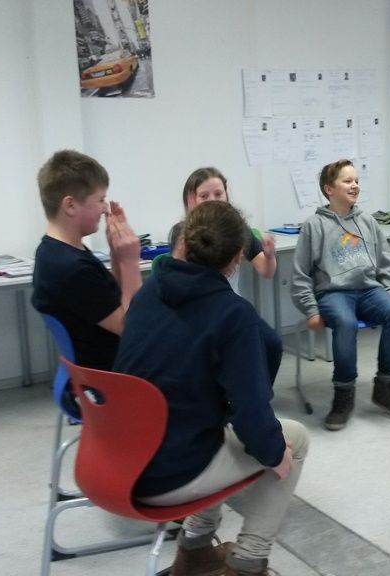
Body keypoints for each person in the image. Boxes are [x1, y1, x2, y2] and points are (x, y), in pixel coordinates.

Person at [115, 201, 308, 576]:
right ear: (237, 258)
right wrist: (275, 455)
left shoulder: (147, 292)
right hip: (167, 475)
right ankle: (249, 561)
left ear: (182, 242)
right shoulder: (233, 314)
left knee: (213, 429)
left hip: (119, 462)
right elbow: (251, 415)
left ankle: (196, 551)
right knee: (293, 441)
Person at [292, 159, 390, 431]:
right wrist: (310, 309)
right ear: (329, 189)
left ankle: (386, 385)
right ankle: (343, 392)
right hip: (333, 293)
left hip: (369, 290)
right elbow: (300, 275)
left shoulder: (367, 221)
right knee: (345, 323)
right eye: (347, 181)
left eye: (356, 180)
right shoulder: (314, 225)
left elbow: (386, 263)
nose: (355, 185)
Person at [31, 149, 141, 372]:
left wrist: (117, 255)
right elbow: (134, 327)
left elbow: (110, 299)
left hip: (105, 367)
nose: (105, 208)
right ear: (70, 205)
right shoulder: (71, 269)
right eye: (100, 200)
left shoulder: (57, 252)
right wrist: (131, 263)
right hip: (116, 376)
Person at [169, 167, 276, 292]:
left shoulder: (237, 228)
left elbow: (267, 272)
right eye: (204, 196)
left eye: (218, 194)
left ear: (226, 195)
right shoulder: (181, 232)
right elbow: (177, 277)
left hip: (228, 298)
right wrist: (191, 221)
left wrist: (269, 256)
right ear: (192, 200)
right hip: (194, 300)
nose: (212, 200)